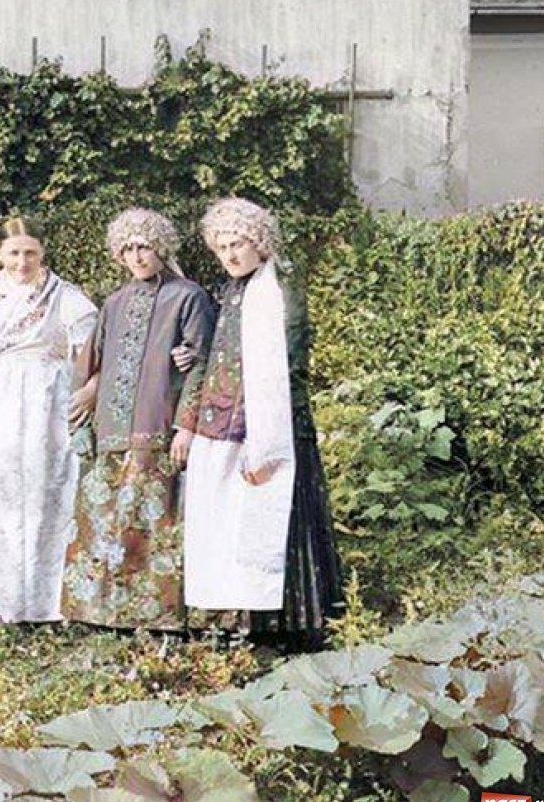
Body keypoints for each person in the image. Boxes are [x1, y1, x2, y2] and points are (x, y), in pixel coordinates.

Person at [179, 197, 343, 647]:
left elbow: (286, 362)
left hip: (278, 422)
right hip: (230, 422)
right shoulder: (228, 291)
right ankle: (251, 621)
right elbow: (218, 351)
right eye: (223, 247)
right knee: (242, 520)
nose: (231, 255)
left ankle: (299, 624)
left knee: (286, 519)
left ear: (261, 244)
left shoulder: (279, 290)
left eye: (239, 244)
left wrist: (265, 433)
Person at [61, 208, 216, 631]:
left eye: (144, 246)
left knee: (152, 523)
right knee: (104, 519)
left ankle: (157, 618)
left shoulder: (188, 297)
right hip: (111, 429)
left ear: (161, 247)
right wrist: (86, 407)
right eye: (127, 248)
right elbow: (90, 365)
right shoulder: (115, 302)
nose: (136, 256)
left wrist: (187, 423)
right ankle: (98, 613)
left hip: (157, 426)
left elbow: (204, 364)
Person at [0, 216, 97, 623]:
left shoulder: (67, 299)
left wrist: (88, 391)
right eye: (13, 253)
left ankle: (44, 602)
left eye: (30, 252)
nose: (22, 262)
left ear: (43, 252)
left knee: (42, 494)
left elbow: (92, 357)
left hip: (45, 407)